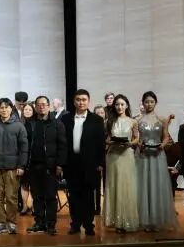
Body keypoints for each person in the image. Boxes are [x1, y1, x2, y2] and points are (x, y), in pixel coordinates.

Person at [60, 89, 105, 236]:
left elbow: (101, 143)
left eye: (84, 99)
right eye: (78, 99)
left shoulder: (96, 120)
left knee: (88, 196)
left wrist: (100, 163)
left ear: (88, 101)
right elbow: (62, 142)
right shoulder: (65, 119)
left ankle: (89, 225)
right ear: (74, 101)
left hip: (90, 164)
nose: (81, 102)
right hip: (72, 163)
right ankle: (75, 224)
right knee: (74, 196)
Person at [25, 95, 66, 235]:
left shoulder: (57, 124)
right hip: (33, 166)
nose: (41, 107)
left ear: (49, 106)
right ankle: (39, 223)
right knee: (37, 197)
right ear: (35, 107)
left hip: (50, 166)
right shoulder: (30, 123)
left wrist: (60, 164)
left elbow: (62, 145)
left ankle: (51, 224)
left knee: (50, 197)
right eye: (38, 105)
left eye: (44, 104)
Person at [135, 91, 176, 231]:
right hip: (143, 155)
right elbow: (135, 138)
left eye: (152, 102)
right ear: (143, 103)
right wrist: (139, 144)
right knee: (143, 185)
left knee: (157, 184)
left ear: (155, 103)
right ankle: (144, 220)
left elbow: (166, 136)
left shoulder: (162, 119)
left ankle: (157, 220)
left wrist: (162, 145)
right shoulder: (137, 120)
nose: (149, 104)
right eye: (146, 102)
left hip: (158, 154)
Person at [0, 98, 28, 235]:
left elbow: (24, 148)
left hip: (13, 167)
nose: (4, 110)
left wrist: (21, 165)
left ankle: (11, 222)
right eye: (1, 107)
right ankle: (1, 222)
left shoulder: (19, 126)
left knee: (11, 197)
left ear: (11, 108)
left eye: (6, 107)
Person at [104, 94, 140, 233]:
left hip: (127, 155)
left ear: (126, 106)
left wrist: (130, 143)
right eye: (117, 104)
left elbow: (137, 138)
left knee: (127, 187)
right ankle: (115, 221)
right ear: (114, 106)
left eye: (122, 104)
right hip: (113, 156)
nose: (119, 107)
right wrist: (111, 141)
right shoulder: (109, 121)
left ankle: (126, 220)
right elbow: (107, 139)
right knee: (114, 186)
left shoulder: (133, 121)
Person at [19, 103, 35, 215]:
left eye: (30, 109)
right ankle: (25, 206)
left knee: (34, 184)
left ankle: (34, 206)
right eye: (26, 109)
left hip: (33, 156)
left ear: (33, 111)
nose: (28, 111)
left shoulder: (36, 123)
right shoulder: (19, 123)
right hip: (22, 156)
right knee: (24, 183)